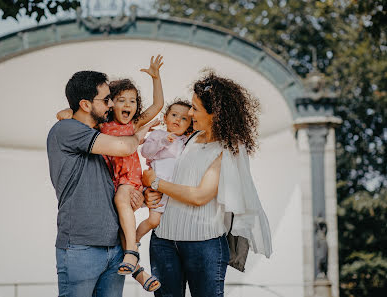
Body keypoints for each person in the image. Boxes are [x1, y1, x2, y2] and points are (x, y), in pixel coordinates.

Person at [142, 72, 273, 297]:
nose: (189, 113)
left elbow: (200, 195)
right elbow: (170, 173)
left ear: (215, 113)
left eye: (195, 108)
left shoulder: (228, 149)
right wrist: (149, 191)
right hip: (163, 241)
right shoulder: (190, 137)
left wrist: (155, 181)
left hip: (203, 247)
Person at [56, 55, 164, 292]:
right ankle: (135, 262)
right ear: (87, 104)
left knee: (123, 202)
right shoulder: (80, 130)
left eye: (131, 101)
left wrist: (156, 79)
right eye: (110, 100)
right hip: (82, 243)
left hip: (117, 223)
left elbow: (157, 107)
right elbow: (125, 146)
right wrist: (138, 135)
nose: (115, 105)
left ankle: (132, 256)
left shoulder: (122, 126)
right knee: (121, 205)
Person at [136, 99, 193, 243]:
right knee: (154, 221)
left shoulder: (186, 140)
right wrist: (162, 142)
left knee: (171, 220)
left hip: (175, 189)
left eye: (184, 118)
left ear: (189, 125)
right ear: (165, 118)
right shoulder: (158, 135)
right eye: (174, 115)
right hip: (158, 186)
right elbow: (146, 152)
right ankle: (133, 241)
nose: (178, 119)